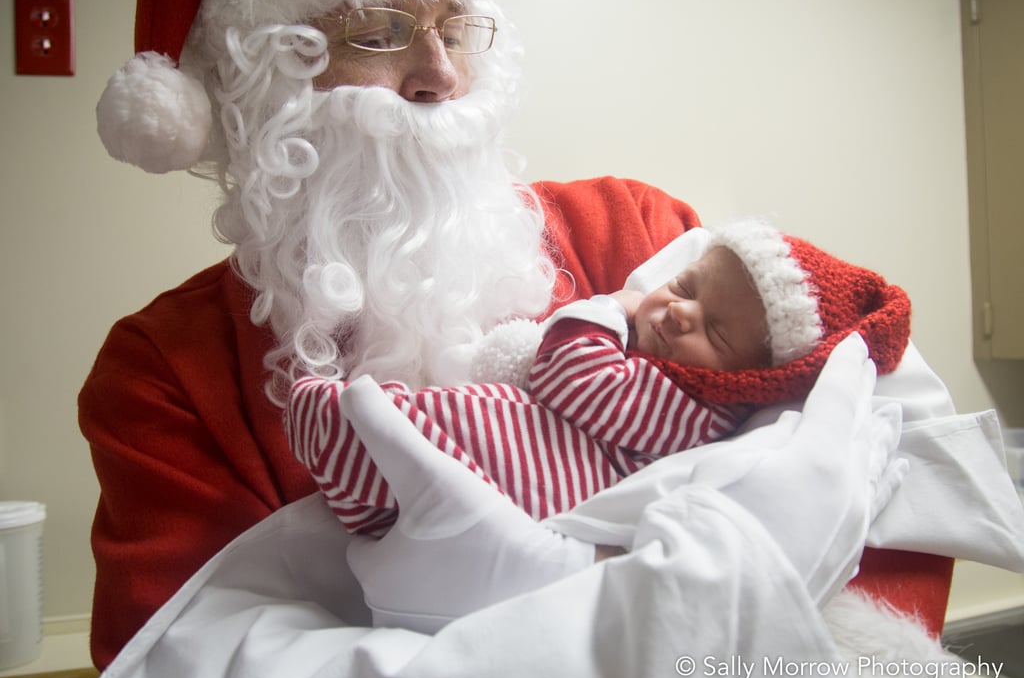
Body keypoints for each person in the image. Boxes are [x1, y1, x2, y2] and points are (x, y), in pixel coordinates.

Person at [78, 0, 1017, 678]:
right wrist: (649, 620)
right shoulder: (162, 374)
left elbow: (874, 438)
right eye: (377, 32)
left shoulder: (638, 232)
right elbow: (191, 667)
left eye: (457, 26)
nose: (440, 74)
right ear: (256, 88)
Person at [288, 217, 912, 537]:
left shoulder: (692, 408)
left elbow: (567, 376)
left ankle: (348, 434)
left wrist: (609, 308)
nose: (678, 312)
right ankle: (370, 470)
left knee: (469, 430)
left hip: (551, 485)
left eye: (715, 332)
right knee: (464, 425)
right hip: (523, 477)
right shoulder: (666, 377)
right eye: (685, 287)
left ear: (746, 381)